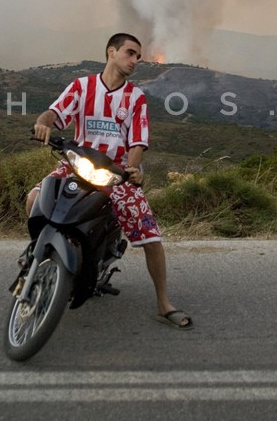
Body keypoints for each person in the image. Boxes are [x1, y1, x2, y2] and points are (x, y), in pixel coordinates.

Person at [25, 32, 193, 330]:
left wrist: (133, 169)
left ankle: (164, 303)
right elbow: (55, 112)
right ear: (111, 52)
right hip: (77, 165)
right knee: (34, 198)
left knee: (151, 236)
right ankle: (37, 258)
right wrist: (42, 124)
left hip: (116, 175)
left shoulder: (135, 97)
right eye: (130, 53)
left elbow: (137, 142)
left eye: (138, 56)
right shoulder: (82, 86)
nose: (135, 60)